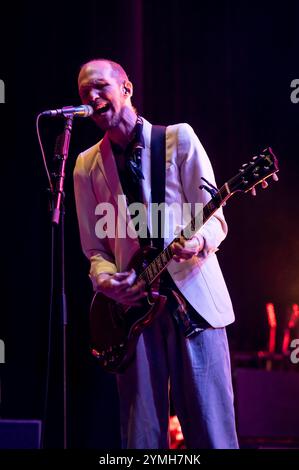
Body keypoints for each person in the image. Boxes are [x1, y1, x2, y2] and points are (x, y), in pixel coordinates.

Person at [73, 58, 239, 449]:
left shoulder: (178, 139)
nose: (93, 98)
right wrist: (105, 280)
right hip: (134, 315)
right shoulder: (85, 165)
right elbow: (94, 248)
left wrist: (197, 242)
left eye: (100, 87)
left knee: (212, 432)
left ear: (126, 88)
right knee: (141, 437)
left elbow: (215, 217)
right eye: (84, 94)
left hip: (193, 300)